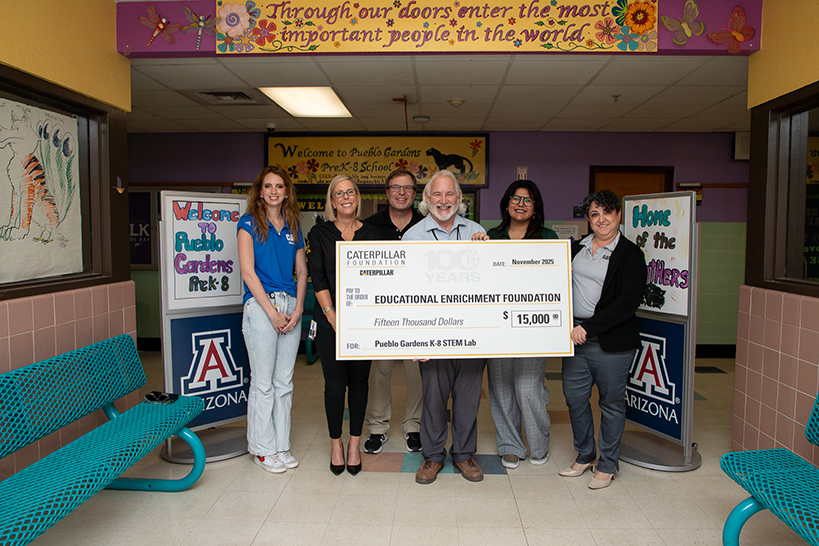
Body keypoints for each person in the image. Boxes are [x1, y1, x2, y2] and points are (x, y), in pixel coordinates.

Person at [403, 170, 489, 484]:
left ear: (459, 199)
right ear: (426, 199)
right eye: (436, 195)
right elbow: (405, 290)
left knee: (468, 398)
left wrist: (487, 252)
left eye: (449, 194)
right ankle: (432, 456)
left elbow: (491, 283)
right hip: (431, 333)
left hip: (471, 334)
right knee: (434, 399)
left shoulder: (477, 232)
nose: (443, 200)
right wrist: (413, 338)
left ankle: (465, 455)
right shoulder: (413, 236)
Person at [560, 189, 646, 489]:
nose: (601, 220)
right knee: (574, 399)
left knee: (611, 403)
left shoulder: (631, 254)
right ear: (588, 218)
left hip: (611, 341)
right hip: (574, 338)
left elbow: (627, 302)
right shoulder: (576, 248)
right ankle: (584, 455)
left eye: (607, 213)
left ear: (618, 216)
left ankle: (608, 464)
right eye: (594, 214)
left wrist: (590, 328)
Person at [307, 174, 380, 476]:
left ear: (357, 197)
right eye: (339, 193)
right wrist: (332, 315)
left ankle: (354, 443)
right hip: (329, 322)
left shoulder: (374, 234)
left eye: (350, 192)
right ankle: (336, 443)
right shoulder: (319, 233)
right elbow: (318, 276)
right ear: (332, 200)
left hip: (364, 324)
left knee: (360, 384)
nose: (346, 197)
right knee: (335, 385)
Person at [238, 165, 307, 474]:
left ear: (286, 191)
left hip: (290, 305)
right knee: (263, 383)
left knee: (284, 382)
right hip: (261, 307)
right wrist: (272, 313)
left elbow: (302, 270)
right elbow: (248, 272)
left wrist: (297, 309)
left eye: (280, 186)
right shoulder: (249, 224)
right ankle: (263, 449)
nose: (274, 191)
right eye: (268, 186)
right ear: (260, 191)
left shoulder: (293, 225)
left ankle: (281, 445)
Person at [485, 180, 558, 469]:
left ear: (535, 207)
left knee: (528, 389)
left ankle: (539, 446)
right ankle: (510, 445)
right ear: (506, 204)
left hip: (533, 329)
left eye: (527, 200)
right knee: (501, 388)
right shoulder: (491, 236)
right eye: (515, 198)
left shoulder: (549, 238)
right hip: (498, 327)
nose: (520, 204)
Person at [362, 169, 425, 454]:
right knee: (379, 371)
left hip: (417, 313)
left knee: (418, 373)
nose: (401, 193)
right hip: (382, 312)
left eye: (407, 188)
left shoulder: (427, 227)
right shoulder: (370, 227)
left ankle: (414, 426)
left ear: (415, 193)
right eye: (396, 188)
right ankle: (377, 426)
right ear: (386, 192)